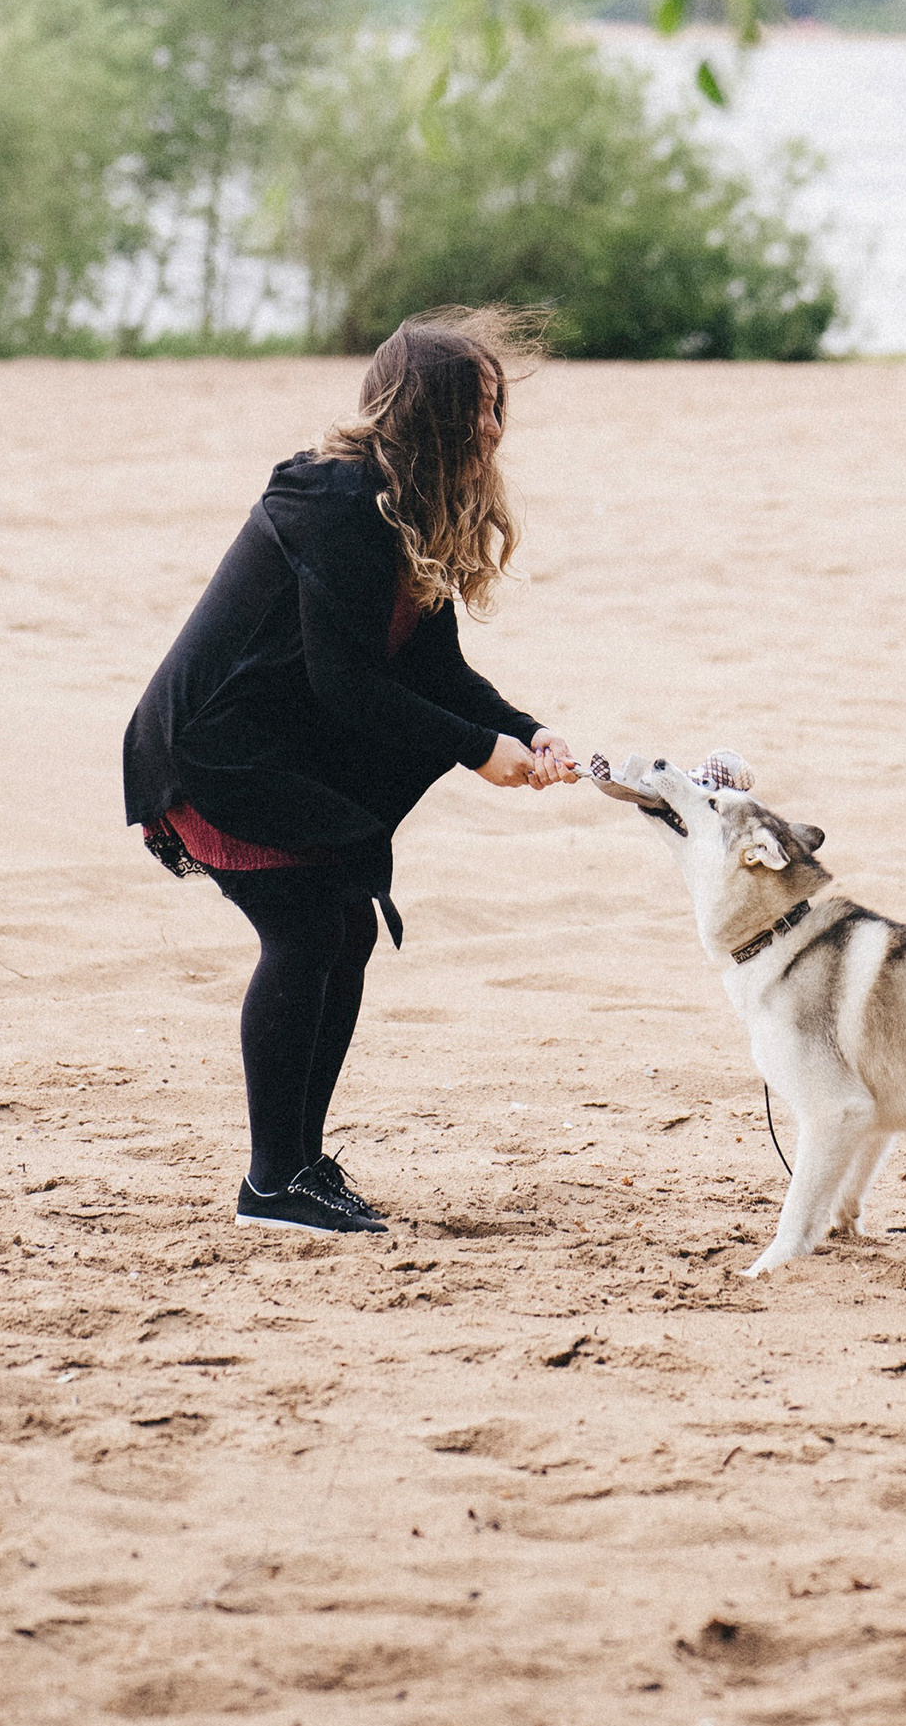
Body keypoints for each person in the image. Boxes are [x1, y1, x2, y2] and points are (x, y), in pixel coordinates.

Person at [123, 308, 577, 1236]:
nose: (495, 428)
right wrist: (475, 750)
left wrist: (527, 732)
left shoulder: (408, 508)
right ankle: (272, 1184)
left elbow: (435, 670)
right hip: (215, 750)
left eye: (497, 406)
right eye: (478, 408)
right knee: (305, 929)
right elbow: (347, 685)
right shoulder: (335, 503)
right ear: (426, 414)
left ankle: (297, 1168)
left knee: (344, 928)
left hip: (270, 747)